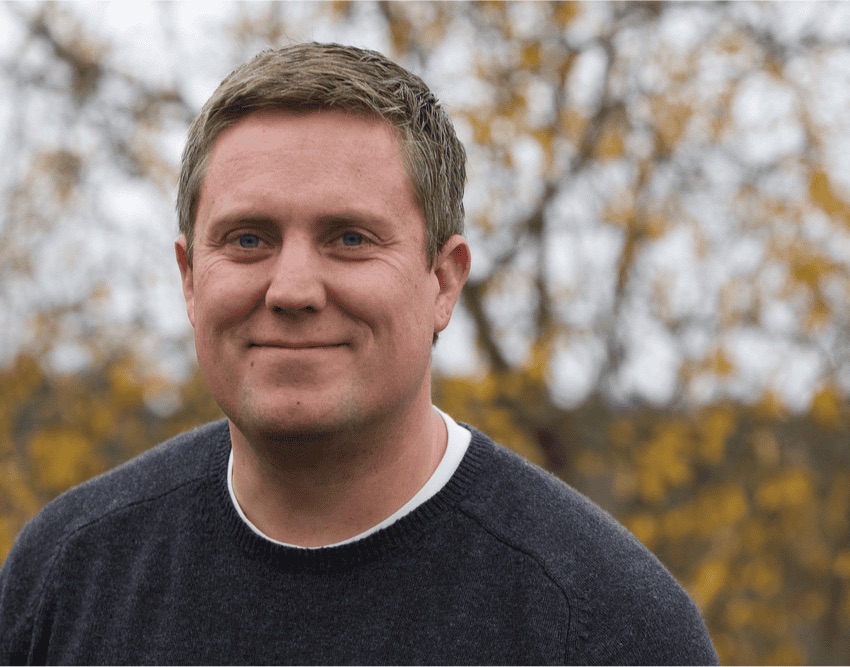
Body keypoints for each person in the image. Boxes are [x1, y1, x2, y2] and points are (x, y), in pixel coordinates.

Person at [0, 42, 717, 665]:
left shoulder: (605, 626)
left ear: (443, 281)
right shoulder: (65, 575)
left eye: (349, 238)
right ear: (190, 279)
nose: (292, 290)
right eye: (248, 239)